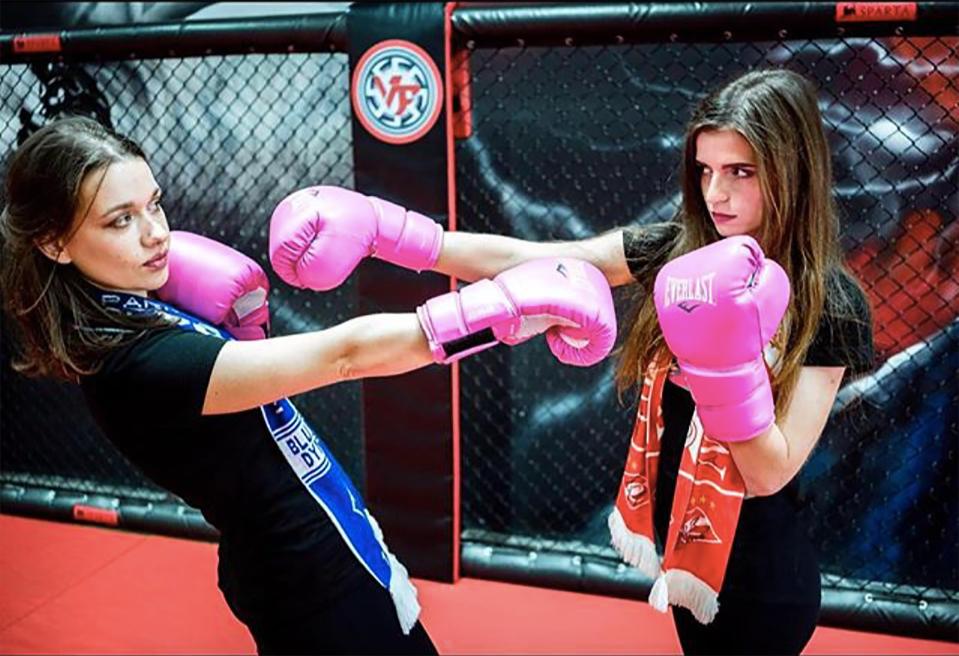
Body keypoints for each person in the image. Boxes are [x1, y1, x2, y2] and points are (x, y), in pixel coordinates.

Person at [271, 68, 875, 655]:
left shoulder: (833, 302)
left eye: (740, 173)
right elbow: (539, 258)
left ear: (792, 172)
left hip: (763, 576)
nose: (716, 194)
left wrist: (725, 365)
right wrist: (389, 231)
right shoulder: (683, 248)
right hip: (684, 553)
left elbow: (771, 473)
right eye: (706, 170)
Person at [0, 115, 618, 655]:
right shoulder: (139, 367)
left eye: (154, 204)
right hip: (306, 580)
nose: (155, 232)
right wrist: (505, 312)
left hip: (321, 543)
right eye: (120, 221)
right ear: (55, 243)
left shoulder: (138, 304)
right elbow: (345, 354)